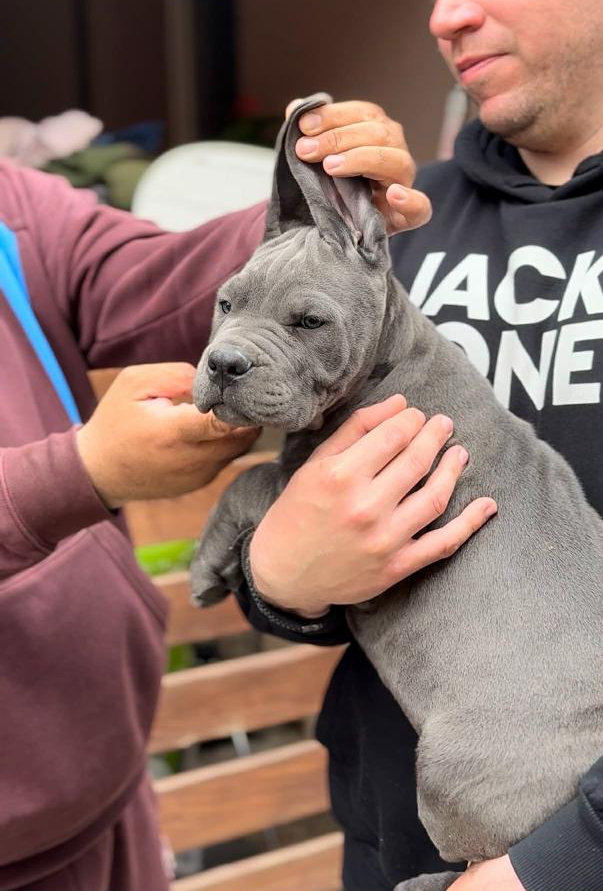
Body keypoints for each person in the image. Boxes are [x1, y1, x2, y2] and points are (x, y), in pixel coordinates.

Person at [0, 96, 480, 887]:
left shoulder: (18, 208)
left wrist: (324, 221)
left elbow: (157, 279)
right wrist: (78, 474)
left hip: (103, 797)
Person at [240, 0, 603, 889]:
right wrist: (283, 577)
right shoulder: (401, 236)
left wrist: (559, 862)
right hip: (404, 848)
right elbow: (311, 530)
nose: (447, 12)